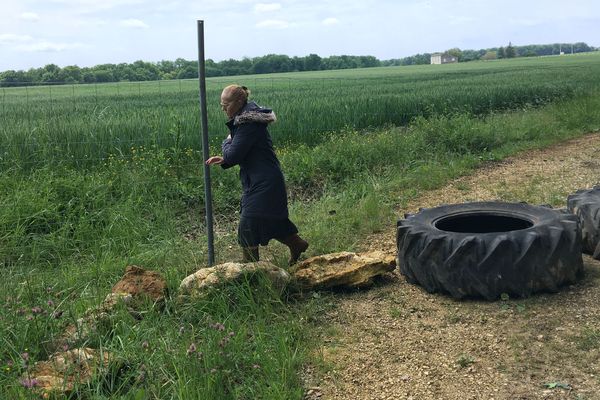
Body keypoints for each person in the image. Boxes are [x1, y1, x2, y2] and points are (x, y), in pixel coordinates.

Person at [206, 84, 309, 264]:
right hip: (262, 179)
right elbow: (241, 152)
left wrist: (227, 141)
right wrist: (226, 157)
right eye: (221, 105)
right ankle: (297, 245)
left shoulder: (248, 123)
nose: (223, 109)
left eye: (226, 105)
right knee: (272, 220)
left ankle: (251, 271)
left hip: (265, 182)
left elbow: (234, 154)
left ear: (239, 102)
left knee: (249, 224)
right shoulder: (245, 120)